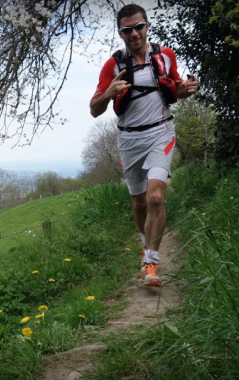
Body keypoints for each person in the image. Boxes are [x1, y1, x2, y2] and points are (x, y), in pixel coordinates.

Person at [89, 3, 199, 287]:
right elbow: (94, 109)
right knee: (138, 203)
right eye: (127, 29)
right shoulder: (113, 65)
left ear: (147, 26)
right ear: (120, 33)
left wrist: (185, 89)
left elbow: (174, 88)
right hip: (128, 139)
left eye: (139, 26)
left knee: (155, 198)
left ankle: (151, 262)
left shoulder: (164, 57)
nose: (134, 33)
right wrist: (108, 94)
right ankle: (145, 245)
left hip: (162, 132)